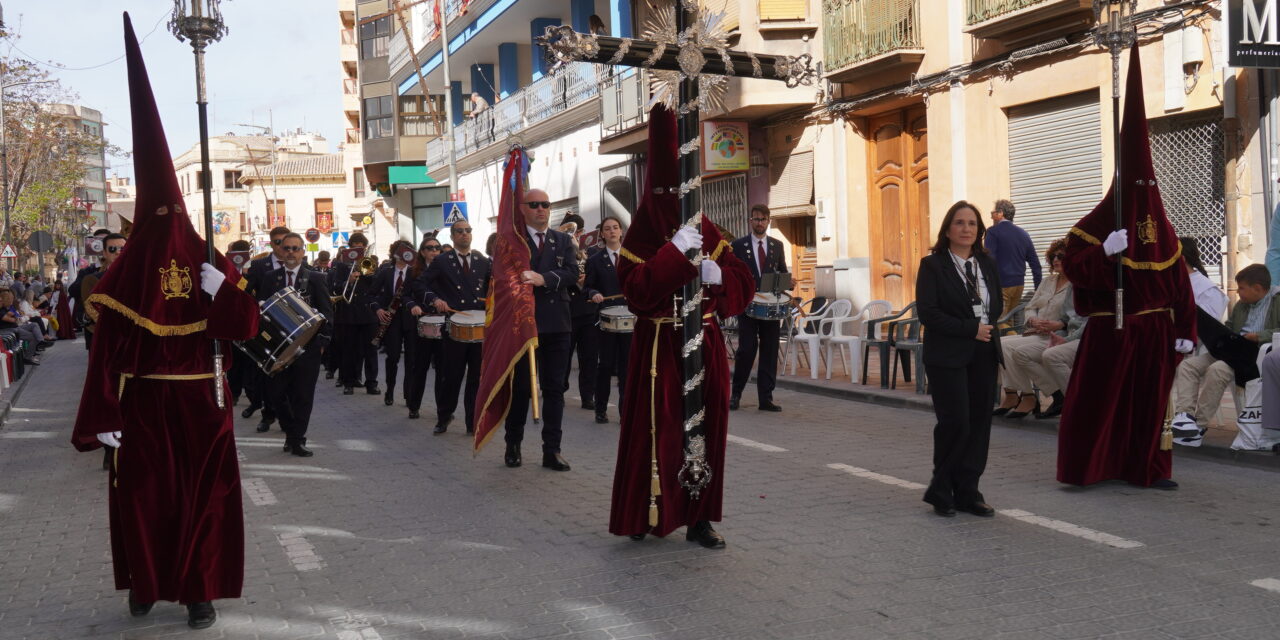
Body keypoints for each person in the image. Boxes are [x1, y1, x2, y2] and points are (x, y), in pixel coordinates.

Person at [70, 18, 262, 628]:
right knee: (145, 502)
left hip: (207, 399)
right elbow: (106, 353)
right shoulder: (125, 276)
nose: (168, 224)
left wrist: (224, 292)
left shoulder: (208, 258)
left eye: (173, 212)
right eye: (159, 215)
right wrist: (102, 416)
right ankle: (146, 583)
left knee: (206, 501)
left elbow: (246, 330)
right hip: (145, 405)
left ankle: (200, 590)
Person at [609, 104, 755, 547]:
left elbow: (745, 283)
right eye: (666, 186)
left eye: (682, 185)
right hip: (660, 348)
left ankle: (699, 517)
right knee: (658, 430)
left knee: (706, 429)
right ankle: (643, 513)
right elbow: (637, 293)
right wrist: (672, 254)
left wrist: (720, 276)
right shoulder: (639, 234)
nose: (674, 195)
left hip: (705, 341)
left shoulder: (709, 229)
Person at [1056, 45, 1196, 489]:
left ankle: (1149, 469)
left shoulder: (1165, 229)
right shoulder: (1101, 221)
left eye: (1148, 183)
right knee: (1098, 403)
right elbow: (1073, 267)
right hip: (1109, 330)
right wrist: (1103, 254)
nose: (1143, 192)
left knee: (1150, 406)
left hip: (1154, 332)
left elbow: (1181, 288)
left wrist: (1186, 333)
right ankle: (1089, 468)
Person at [916, 200, 1003, 518]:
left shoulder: (987, 264)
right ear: (947, 229)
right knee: (956, 423)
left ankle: (969, 491)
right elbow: (928, 313)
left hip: (984, 352)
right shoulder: (933, 265)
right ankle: (941, 489)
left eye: (972, 223)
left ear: (979, 229)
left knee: (980, 425)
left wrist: (984, 327)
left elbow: (996, 305)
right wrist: (970, 329)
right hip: (948, 355)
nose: (966, 229)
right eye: (959, 223)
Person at [502, 187, 576, 471]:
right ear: (522, 209)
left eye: (545, 204)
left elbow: (572, 273)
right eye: (534, 204)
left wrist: (542, 278)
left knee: (554, 389)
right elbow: (500, 278)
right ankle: (513, 444)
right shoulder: (513, 243)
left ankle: (552, 450)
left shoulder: (562, 240)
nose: (541, 209)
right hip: (524, 325)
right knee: (521, 388)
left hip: (557, 323)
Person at [1171, 263, 1279, 445]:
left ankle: (1199, 426)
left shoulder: (1277, 302)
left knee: (1218, 370)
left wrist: (1259, 336)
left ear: (1258, 288)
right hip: (1232, 349)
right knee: (1188, 365)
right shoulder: (1242, 306)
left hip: (1254, 355)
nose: (1238, 292)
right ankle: (1185, 416)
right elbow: (1229, 327)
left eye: (1242, 288)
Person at [258, 233, 333, 453]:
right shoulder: (271, 278)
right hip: (280, 349)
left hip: (307, 348)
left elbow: (327, 313)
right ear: (280, 250)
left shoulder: (316, 278)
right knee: (277, 395)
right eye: (286, 248)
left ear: (303, 252)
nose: (290, 252)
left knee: (303, 396)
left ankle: (297, 438)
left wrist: (322, 342)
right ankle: (290, 430)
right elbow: (262, 310)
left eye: (295, 248)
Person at [417, 221, 490, 434]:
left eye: (468, 231)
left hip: (478, 325)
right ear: (452, 236)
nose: (465, 234)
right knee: (451, 376)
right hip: (454, 325)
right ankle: (444, 416)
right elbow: (420, 284)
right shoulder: (442, 261)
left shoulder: (481, 260)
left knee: (476, 377)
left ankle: (472, 421)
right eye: (460, 231)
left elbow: (493, 286)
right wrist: (434, 299)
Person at [994, 238, 1071, 419]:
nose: (1055, 260)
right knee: (996, 343)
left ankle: (1039, 395)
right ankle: (1022, 395)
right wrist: (1033, 320)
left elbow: (1078, 316)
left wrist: (1060, 324)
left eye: (1061, 256)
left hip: (1056, 336)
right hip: (1035, 332)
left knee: (1013, 350)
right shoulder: (1047, 282)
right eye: (1053, 256)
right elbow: (1030, 307)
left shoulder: (1077, 284)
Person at [729, 204, 788, 412]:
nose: (759, 223)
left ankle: (766, 398)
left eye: (763, 219)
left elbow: (782, 272)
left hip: (770, 309)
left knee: (770, 351)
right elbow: (731, 274)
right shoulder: (737, 245)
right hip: (747, 307)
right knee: (746, 350)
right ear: (750, 221)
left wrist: (788, 282)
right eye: (756, 219)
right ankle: (735, 394)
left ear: (768, 221)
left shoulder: (777, 246)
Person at [241, 226, 291, 431]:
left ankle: (289, 419)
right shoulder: (259, 265)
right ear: (272, 243)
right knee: (267, 374)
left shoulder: (297, 263)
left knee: (290, 377)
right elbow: (245, 291)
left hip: (291, 326)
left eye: (286, 243)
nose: (283, 248)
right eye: (278, 243)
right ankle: (268, 414)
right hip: (267, 326)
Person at [583, 216, 629, 424]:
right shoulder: (595, 260)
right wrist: (594, 293)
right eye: (607, 229)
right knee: (606, 365)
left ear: (621, 232)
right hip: (606, 320)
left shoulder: (631, 258)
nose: (612, 232)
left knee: (627, 367)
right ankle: (600, 408)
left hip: (630, 320)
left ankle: (625, 410)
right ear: (602, 234)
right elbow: (587, 287)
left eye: (615, 228)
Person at [330, 232, 380, 396]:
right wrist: (349, 281)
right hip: (349, 312)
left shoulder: (369, 262)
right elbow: (336, 286)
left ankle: (371, 383)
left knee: (371, 350)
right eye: (355, 245)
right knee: (349, 350)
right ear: (350, 248)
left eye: (361, 246)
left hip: (367, 313)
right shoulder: (342, 265)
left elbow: (375, 286)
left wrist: (367, 272)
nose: (359, 248)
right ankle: (348, 382)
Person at [369, 240, 417, 407]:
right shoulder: (386, 272)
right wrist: (378, 309)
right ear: (395, 253)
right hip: (392, 320)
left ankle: (409, 394)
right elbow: (371, 294)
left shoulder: (414, 272)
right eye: (400, 251)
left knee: (411, 359)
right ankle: (390, 390)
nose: (403, 255)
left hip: (411, 320)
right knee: (393, 357)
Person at [402, 237, 445, 419]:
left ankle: (442, 410)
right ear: (422, 252)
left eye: (437, 248)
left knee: (443, 369)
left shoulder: (446, 269)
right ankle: (414, 405)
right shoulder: (413, 271)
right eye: (430, 248)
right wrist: (413, 305)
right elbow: (405, 295)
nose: (434, 251)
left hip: (443, 322)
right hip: (421, 322)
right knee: (419, 367)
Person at [984, 199, 1042, 330]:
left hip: (1001, 285)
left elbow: (988, 260)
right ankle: (1008, 347)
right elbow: (1036, 265)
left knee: (998, 322)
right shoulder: (1023, 234)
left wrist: (985, 285)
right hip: (1018, 285)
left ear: (1000, 213)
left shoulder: (993, 232)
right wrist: (1039, 290)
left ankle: (1016, 344)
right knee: (1007, 322)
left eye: (993, 212)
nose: (991, 216)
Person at [562, 212, 599, 412]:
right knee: (564, 355)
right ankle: (560, 389)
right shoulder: (559, 254)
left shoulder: (591, 253)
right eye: (568, 231)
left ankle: (588, 395)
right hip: (567, 311)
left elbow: (595, 279)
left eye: (575, 231)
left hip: (588, 311)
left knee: (589, 357)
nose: (573, 235)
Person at [71, 232, 126, 352]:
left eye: (122, 249)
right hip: (102, 343)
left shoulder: (141, 277)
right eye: (112, 249)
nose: (118, 252)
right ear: (104, 253)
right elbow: (81, 312)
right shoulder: (90, 276)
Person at [0, 289, 44, 365]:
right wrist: (13, 316)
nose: (12, 301)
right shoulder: (1, 311)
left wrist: (14, 316)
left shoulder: (6, 308)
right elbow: (12, 320)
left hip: (16, 327)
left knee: (34, 325)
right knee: (33, 337)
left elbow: (16, 317)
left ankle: (41, 341)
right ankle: (27, 358)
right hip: (10, 330)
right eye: (10, 299)